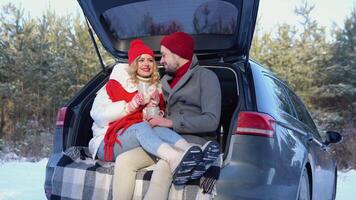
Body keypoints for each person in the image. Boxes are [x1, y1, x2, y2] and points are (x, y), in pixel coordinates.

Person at [88, 39, 206, 199]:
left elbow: (153, 124)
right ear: (133, 63)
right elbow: (97, 114)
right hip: (107, 140)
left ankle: (189, 152)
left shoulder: (155, 88)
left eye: (150, 60)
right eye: (141, 60)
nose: (146, 63)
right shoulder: (114, 85)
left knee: (155, 127)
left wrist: (156, 108)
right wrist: (129, 106)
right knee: (142, 127)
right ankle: (174, 158)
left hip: (134, 140)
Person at [113, 32, 222, 200]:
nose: (161, 61)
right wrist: (156, 108)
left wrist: (170, 122)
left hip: (193, 142)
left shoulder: (206, 77)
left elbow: (211, 121)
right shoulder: (164, 81)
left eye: (164, 55)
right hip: (164, 140)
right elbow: (162, 115)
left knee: (166, 166)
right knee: (123, 160)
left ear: (178, 54)